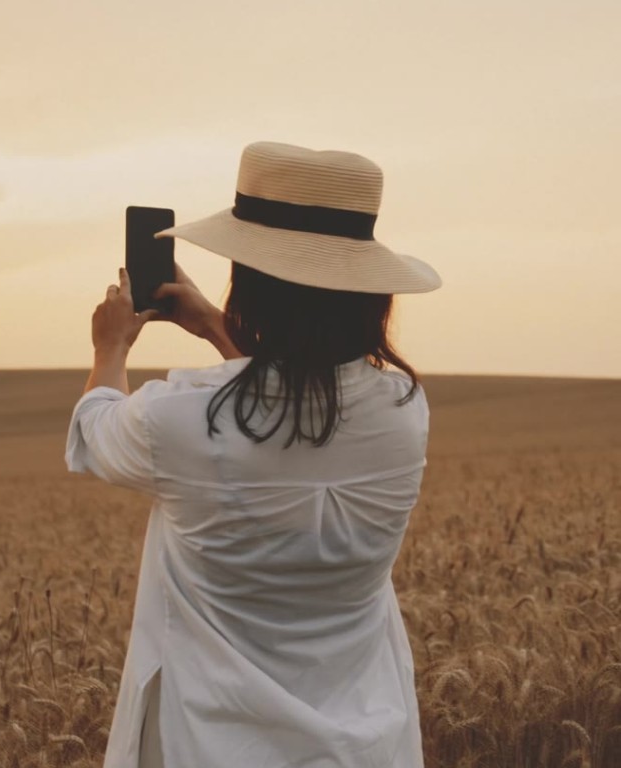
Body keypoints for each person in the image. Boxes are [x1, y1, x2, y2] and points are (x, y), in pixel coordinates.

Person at [66, 141, 442, 768]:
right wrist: (216, 327)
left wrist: (111, 346)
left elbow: (94, 432)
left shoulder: (180, 420)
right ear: (369, 290)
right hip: (369, 744)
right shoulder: (404, 411)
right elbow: (297, 409)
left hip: (209, 743)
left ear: (252, 283)